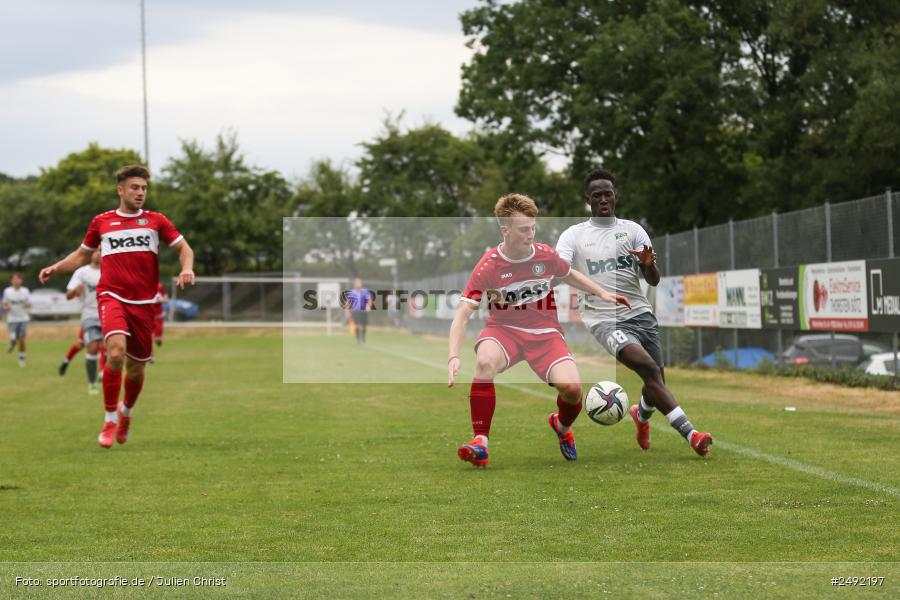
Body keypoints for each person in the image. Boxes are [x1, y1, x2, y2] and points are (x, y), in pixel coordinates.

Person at [447, 193, 630, 468]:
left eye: (533, 227)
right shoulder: (488, 265)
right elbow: (462, 313)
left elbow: (568, 273)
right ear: (504, 229)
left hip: (546, 334)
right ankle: (480, 442)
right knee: (484, 363)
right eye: (523, 229)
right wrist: (453, 355)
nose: (530, 234)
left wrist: (602, 293)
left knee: (572, 390)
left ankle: (562, 426)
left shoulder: (545, 255)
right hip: (503, 331)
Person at [556, 169, 713, 456]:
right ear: (587, 199)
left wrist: (649, 264)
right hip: (603, 318)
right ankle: (692, 434)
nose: (603, 199)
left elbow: (653, 279)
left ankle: (641, 417)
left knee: (656, 382)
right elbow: (561, 269)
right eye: (597, 195)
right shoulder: (574, 236)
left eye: (608, 193)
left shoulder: (633, 230)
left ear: (616, 196)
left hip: (641, 313)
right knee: (649, 369)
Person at [39, 165, 195, 448]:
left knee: (136, 369)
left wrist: (187, 268)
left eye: (144, 188)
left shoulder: (156, 221)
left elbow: (185, 248)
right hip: (111, 296)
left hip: (144, 303)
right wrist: (56, 268)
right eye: (135, 188)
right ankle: (109, 418)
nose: (140, 193)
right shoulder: (102, 221)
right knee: (115, 353)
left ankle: (126, 413)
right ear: (120, 190)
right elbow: (81, 255)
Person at [59, 248, 103, 394]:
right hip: (89, 315)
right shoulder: (82, 272)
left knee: (109, 348)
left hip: (107, 314)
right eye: (96, 250)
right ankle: (92, 383)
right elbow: (68, 295)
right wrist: (75, 291)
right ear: (91, 253)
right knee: (91, 347)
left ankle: (105, 376)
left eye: (102, 251)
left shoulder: (110, 271)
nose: (98, 253)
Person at [2, 272, 31, 367]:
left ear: (21, 281)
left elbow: (29, 304)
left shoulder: (25, 291)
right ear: (11, 281)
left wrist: (27, 304)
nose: (16, 281)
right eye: (14, 279)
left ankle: (21, 358)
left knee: (22, 339)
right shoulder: (7, 291)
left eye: (18, 279)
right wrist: (5, 307)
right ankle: (12, 344)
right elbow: (4, 304)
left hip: (23, 318)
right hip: (12, 319)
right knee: (14, 339)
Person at [345, 278, 373, 344]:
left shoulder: (365, 291)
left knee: (364, 325)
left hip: (363, 311)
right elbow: (348, 303)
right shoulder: (352, 292)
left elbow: (369, 300)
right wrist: (348, 311)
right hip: (355, 311)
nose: (358, 284)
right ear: (354, 284)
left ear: (361, 284)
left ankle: (363, 337)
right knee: (357, 325)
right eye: (356, 283)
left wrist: (369, 306)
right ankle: (358, 339)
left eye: (359, 283)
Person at [153, 281, 169, 347]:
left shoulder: (160, 286)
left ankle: (158, 339)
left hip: (158, 316)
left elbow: (166, 300)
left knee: (158, 339)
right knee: (148, 338)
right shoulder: (143, 284)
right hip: (147, 316)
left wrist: (159, 300)